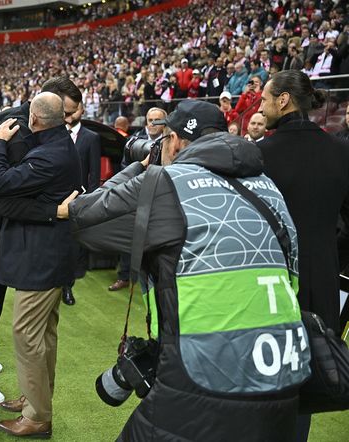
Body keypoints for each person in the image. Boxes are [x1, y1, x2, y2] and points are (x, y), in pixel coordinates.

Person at [61, 100, 310, 441]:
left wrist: (142, 168)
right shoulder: (269, 186)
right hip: (283, 373)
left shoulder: (166, 183)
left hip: (203, 375)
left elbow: (83, 218)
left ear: (174, 140)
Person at [0, 77, 82, 406]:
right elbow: (4, 193)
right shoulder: (24, 132)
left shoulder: (13, 117)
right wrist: (55, 210)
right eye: (63, 112)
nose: (65, 122)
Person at [258, 70, 349, 442]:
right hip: (324, 283)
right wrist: (330, 257)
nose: (260, 107)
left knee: (267, 384)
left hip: (267, 286)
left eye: (264, 99)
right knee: (305, 389)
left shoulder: (260, 154)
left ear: (283, 100)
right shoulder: (341, 151)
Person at [0, 92, 81, 438]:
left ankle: (38, 415)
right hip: (49, 254)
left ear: (35, 120)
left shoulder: (48, 155)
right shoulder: (57, 144)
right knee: (44, 335)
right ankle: (34, 397)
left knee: (27, 334)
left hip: (42, 258)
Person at [113, 107, 166, 292]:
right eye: (150, 119)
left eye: (157, 120)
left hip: (160, 197)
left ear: (164, 123)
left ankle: (155, 278)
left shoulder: (170, 142)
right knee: (129, 234)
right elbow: (124, 166)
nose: (152, 123)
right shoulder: (133, 140)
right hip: (136, 194)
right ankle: (124, 276)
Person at [62, 101, 100, 305]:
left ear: (82, 110)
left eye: (76, 108)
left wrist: (90, 201)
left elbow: (94, 174)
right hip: (55, 199)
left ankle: (67, 286)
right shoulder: (55, 134)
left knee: (73, 245)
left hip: (79, 201)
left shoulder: (91, 138)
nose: (72, 113)